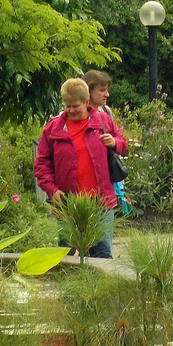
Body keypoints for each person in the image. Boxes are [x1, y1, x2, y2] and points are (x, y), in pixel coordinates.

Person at [34, 77, 126, 258]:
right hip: (68, 202)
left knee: (102, 255)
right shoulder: (53, 129)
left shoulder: (102, 121)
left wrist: (115, 142)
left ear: (86, 102)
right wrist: (52, 191)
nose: (70, 110)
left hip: (101, 202)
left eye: (75, 106)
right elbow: (42, 164)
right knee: (65, 255)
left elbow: (123, 143)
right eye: (67, 106)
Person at [82, 69, 132, 216]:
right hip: (79, 192)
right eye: (102, 90)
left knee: (104, 238)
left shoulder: (105, 113)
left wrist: (114, 142)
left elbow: (122, 142)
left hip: (104, 193)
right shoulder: (73, 114)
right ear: (88, 91)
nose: (107, 95)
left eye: (107, 90)